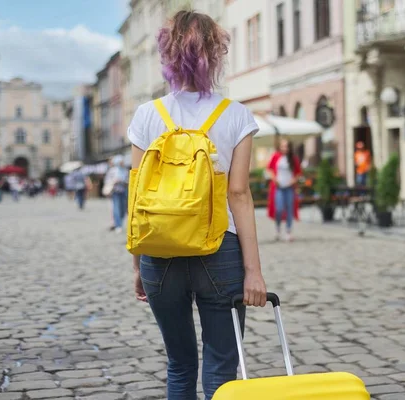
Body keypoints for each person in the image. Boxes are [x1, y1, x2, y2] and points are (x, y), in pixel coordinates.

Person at [126, 10, 267, 400]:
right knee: (222, 369)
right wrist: (253, 272)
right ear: (216, 54)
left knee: (179, 365)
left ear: (166, 55)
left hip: (160, 252)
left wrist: (138, 264)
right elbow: (239, 195)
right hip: (220, 249)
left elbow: (137, 196)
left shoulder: (146, 116)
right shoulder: (235, 115)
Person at [267, 139, 302, 241]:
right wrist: (275, 179)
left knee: (289, 209)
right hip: (279, 187)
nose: (284, 148)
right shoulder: (276, 156)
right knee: (279, 209)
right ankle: (277, 228)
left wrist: (293, 181)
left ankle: (288, 231)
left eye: (286, 146)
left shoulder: (293, 159)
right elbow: (269, 169)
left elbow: (298, 173)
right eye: (283, 146)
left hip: (289, 187)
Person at [103, 155, 129, 233]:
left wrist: (124, 181)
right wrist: (115, 181)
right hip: (115, 191)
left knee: (123, 209)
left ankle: (120, 222)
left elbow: (128, 180)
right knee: (116, 208)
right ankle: (118, 225)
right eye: (120, 162)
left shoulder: (125, 170)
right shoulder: (112, 170)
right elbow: (107, 180)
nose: (122, 163)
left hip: (124, 191)